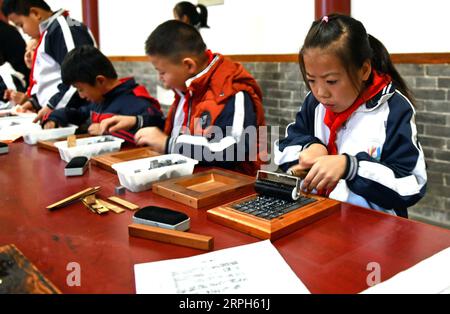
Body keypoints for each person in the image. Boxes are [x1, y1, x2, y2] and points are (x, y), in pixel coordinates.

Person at [274, 14, 427, 218]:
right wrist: (310, 147)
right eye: (311, 80)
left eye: (331, 81)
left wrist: (351, 167)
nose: (321, 92)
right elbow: (285, 146)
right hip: (316, 217)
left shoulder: (394, 109)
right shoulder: (314, 103)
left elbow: (411, 185)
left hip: (373, 231)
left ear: (364, 70)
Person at [100, 20, 266, 175]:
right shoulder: (187, 90)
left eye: (162, 72)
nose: (160, 79)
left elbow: (235, 150)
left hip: (232, 189)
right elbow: (178, 132)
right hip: (192, 181)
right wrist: (137, 122)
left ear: (188, 65)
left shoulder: (233, 91)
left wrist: (169, 144)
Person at [43, 46, 163, 144]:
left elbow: (156, 131)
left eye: (80, 89)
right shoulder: (99, 100)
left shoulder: (138, 102)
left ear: (100, 80)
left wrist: (106, 132)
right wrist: (54, 117)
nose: (81, 96)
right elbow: (79, 113)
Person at [2, 0, 96, 122]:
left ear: (35, 13)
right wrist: (35, 102)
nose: (23, 31)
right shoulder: (50, 32)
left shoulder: (64, 28)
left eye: (20, 25)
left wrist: (51, 106)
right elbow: (51, 78)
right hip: (60, 110)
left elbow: (77, 75)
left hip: (73, 113)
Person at [3, 38, 37, 105]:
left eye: (34, 50)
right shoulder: (32, 77)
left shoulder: (47, 79)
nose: (27, 54)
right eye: (26, 50)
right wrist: (14, 95)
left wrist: (30, 101)